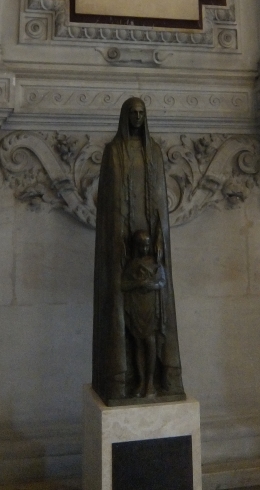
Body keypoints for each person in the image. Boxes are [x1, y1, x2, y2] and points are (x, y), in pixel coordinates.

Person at [92, 97, 185, 404]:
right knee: (125, 319)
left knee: (153, 328)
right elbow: (109, 201)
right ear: (125, 116)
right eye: (132, 112)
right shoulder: (114, 152)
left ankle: (157, 381)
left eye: (141, 113)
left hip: (149, 240)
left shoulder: (153, 151)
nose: (137, 117)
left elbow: (159, 200)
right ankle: (123, 379)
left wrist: (158, 238)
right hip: (122, 241)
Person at [121, 230, 166, 398]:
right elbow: (123, 285)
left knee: (150, 342)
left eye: (146, 245)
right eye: (141, 245)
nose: (144, 248)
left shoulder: (155, 263)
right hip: (136, 307)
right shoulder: (132, 264)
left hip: (150, 307)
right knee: (138, 344)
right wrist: (136, 284)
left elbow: (162, 282)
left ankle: (150, 382)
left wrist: (150, 284)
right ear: (136, 246)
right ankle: (140, 381)